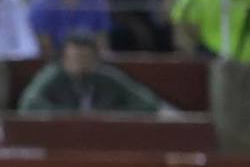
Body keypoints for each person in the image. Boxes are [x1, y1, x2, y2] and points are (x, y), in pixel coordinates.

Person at [17, 32, 161, 111]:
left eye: (86, 58)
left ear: (96, 60)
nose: (80, 64)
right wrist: (68, 116)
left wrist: (110, 117)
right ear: (64, 60)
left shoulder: (107, 76)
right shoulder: (52, 76)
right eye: (75, 58)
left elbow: (147, 103)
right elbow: (29, 104)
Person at [27, 0, 110, 56]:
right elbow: (44, 44)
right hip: (55, 60)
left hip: (91, 59)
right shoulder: (41, 1)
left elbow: (102, 40)